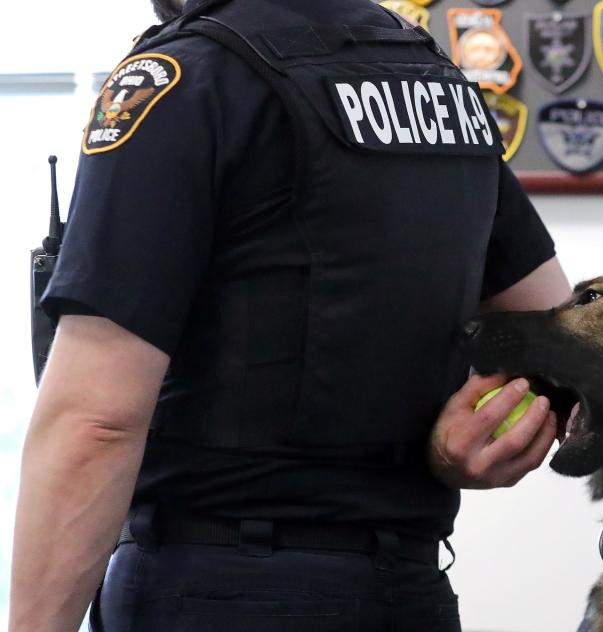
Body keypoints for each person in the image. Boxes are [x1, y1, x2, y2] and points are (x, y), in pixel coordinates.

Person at [9, 0, 572, 630]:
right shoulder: (436, 81)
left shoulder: (187, 79)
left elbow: (96, 421)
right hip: (406, 592)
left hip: (217, 587)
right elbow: (560, 334)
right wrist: (468, 441)